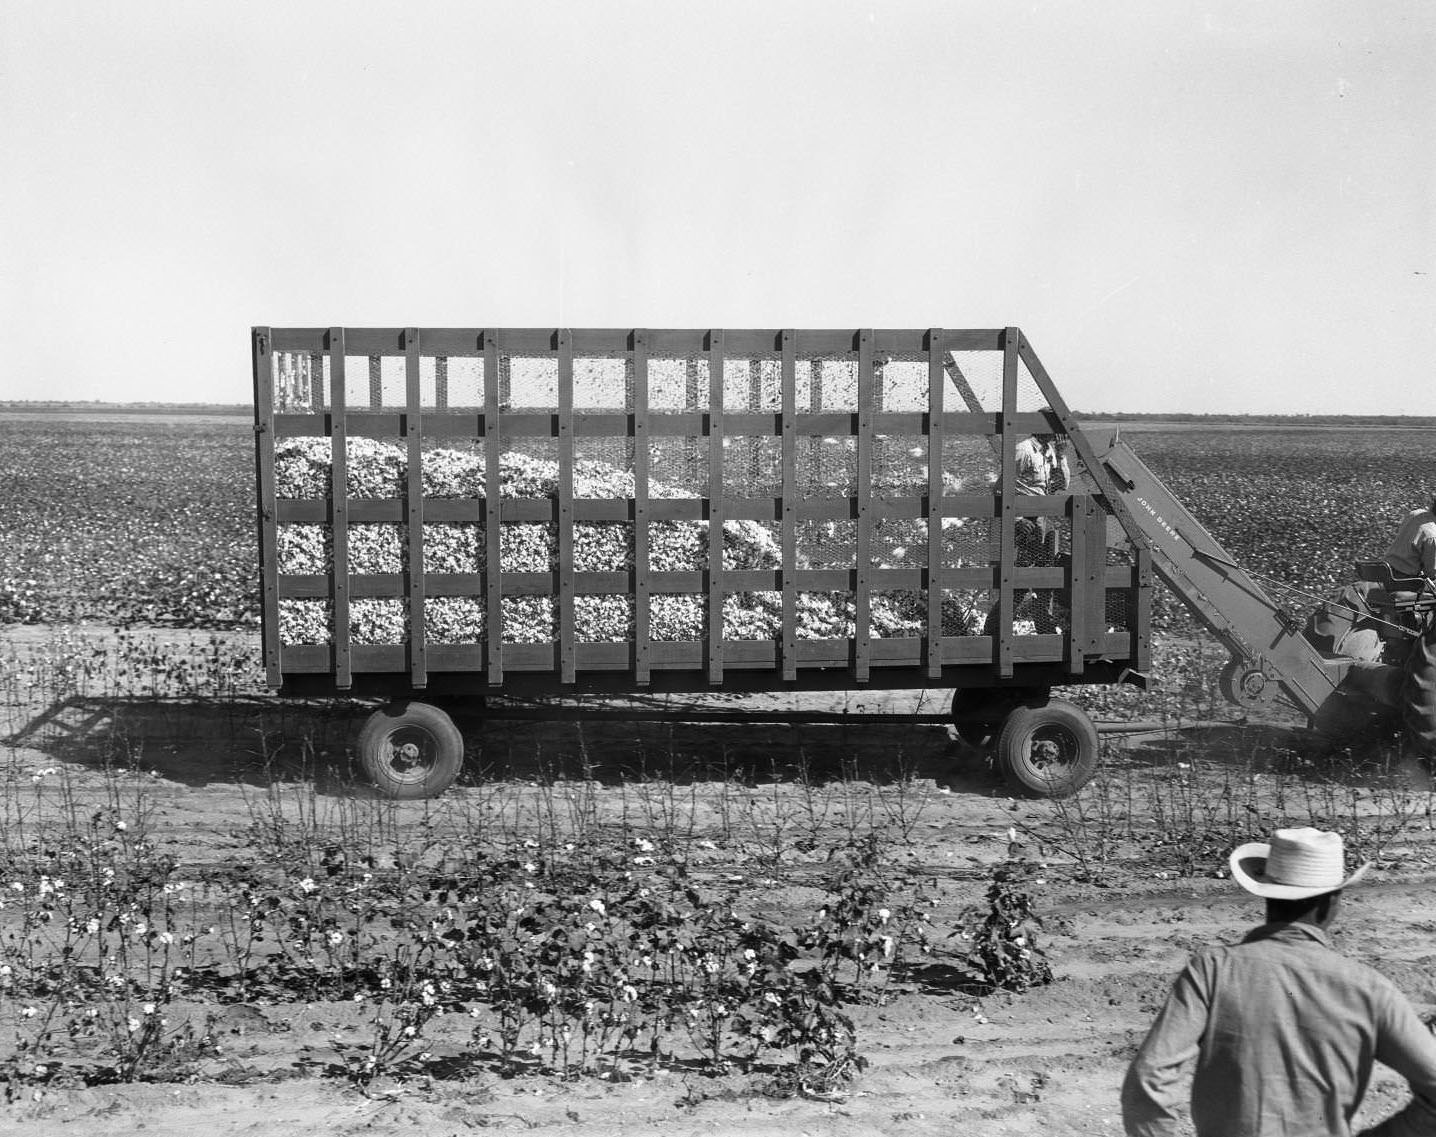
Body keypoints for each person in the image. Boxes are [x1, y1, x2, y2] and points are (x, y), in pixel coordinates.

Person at [1122, 827, 1436, 1137]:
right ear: (1333, 904)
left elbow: (1149, 1078)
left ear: (1266, 894)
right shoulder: (1369, 988)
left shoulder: (1213, 970)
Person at [1384, 496, 1436, 581]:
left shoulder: (1414, 514)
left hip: (1384, 569)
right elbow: (1432, 573)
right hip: (1404, 579)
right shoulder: (1432, 535)